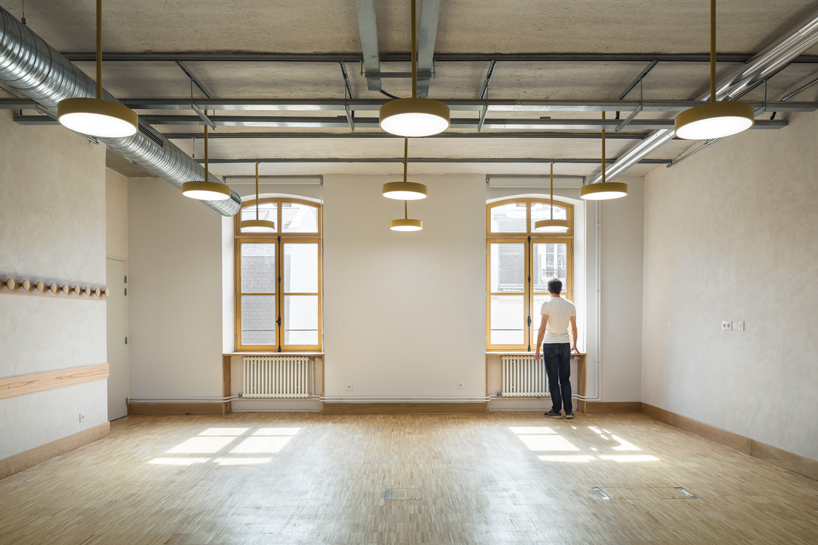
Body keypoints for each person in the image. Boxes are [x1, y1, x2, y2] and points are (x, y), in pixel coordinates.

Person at [534, 278, 579, 419]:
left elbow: (542, 329)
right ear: (561, 290)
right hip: (565, 344)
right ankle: (569, 412)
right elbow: (574, 328)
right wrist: (575, 345)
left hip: (550, 344)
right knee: (565, 379)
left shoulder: (547, 305)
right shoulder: (570, 305)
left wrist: (537, 349)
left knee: (553, 380)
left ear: (548, 290)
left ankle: (556, 411)